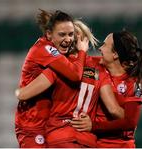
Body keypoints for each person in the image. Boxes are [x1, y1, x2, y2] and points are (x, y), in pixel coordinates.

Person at [15, 20, 124, 148]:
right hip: (87, 140)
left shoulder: (57, 68)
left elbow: (23, 94)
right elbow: (114, 110)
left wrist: (19, 89)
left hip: (60, 137)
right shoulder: (99, 71)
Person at [15, 9, 88, 148]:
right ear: (49, 34)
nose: (68, 39)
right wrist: (83, 51)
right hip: (32, 124)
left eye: (71, 34)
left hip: (49, 124)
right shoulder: (45, 50)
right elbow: (75, 75)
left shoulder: (58, 55)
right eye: (62, 35)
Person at [71, 30, 142, 148]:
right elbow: (71, 60)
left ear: (115, 54)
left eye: (105, 45)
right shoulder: (96, 66)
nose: (100, 49)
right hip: (95, 144)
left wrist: (93, 125)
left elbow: (130, 122)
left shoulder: (136, 84)